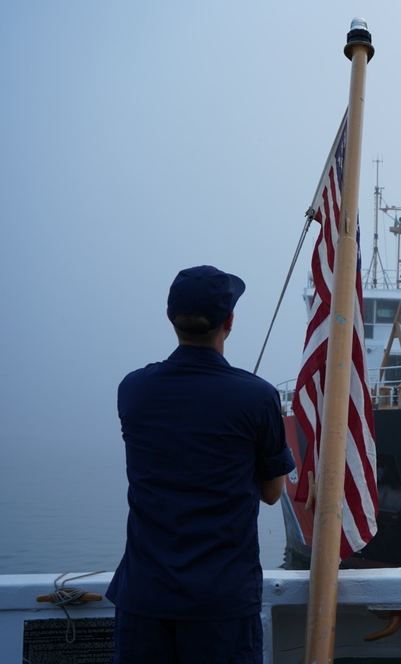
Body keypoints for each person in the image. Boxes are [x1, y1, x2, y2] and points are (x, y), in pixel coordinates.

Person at [107, 265, 295, 663]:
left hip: (144, 598)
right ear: (229, 322)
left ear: (170, 317)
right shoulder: (258, 398)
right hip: (221, 605)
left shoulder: (133, 390)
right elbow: (272, 492)